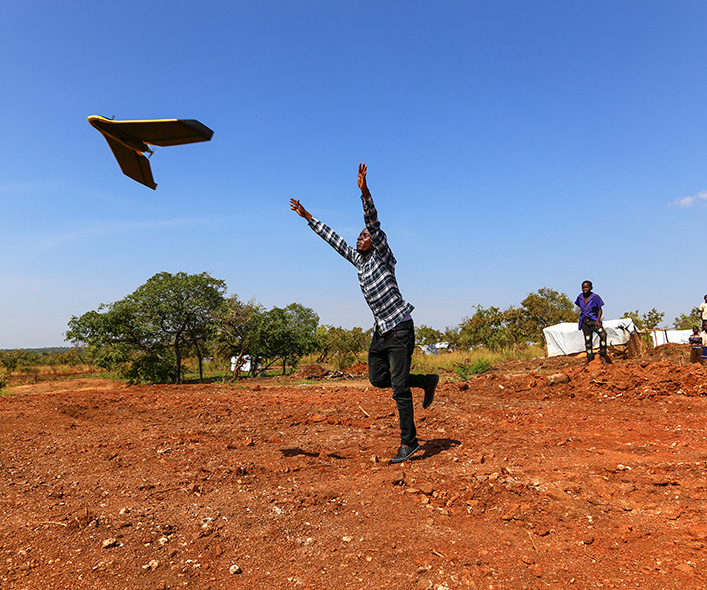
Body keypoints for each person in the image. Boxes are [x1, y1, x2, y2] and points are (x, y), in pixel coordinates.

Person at [290, 163, 439, 464]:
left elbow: (373, 223)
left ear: (374, 241)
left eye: (363, 236)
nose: (359, 238)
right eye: (358, 236)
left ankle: (408, 443)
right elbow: (334, 239)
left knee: (398, 390)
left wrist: (365, 193)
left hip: (399, 327)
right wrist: (308, 217)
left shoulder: (384, 256)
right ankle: (424, 380)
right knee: (378, 379)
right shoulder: (359, 262)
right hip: (381, 331)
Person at [575, 280, 611, 364]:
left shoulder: (595, 297)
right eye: (583, 287)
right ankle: (590, 360)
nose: (584, 289)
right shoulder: (580, 297)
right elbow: (579, 305)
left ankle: (602, 353)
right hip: (584, 321)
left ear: (591, 288)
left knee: (603, 334)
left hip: (594, 321)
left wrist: (598, 320)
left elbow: (600, 310)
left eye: (586, 287)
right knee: (588, 340)